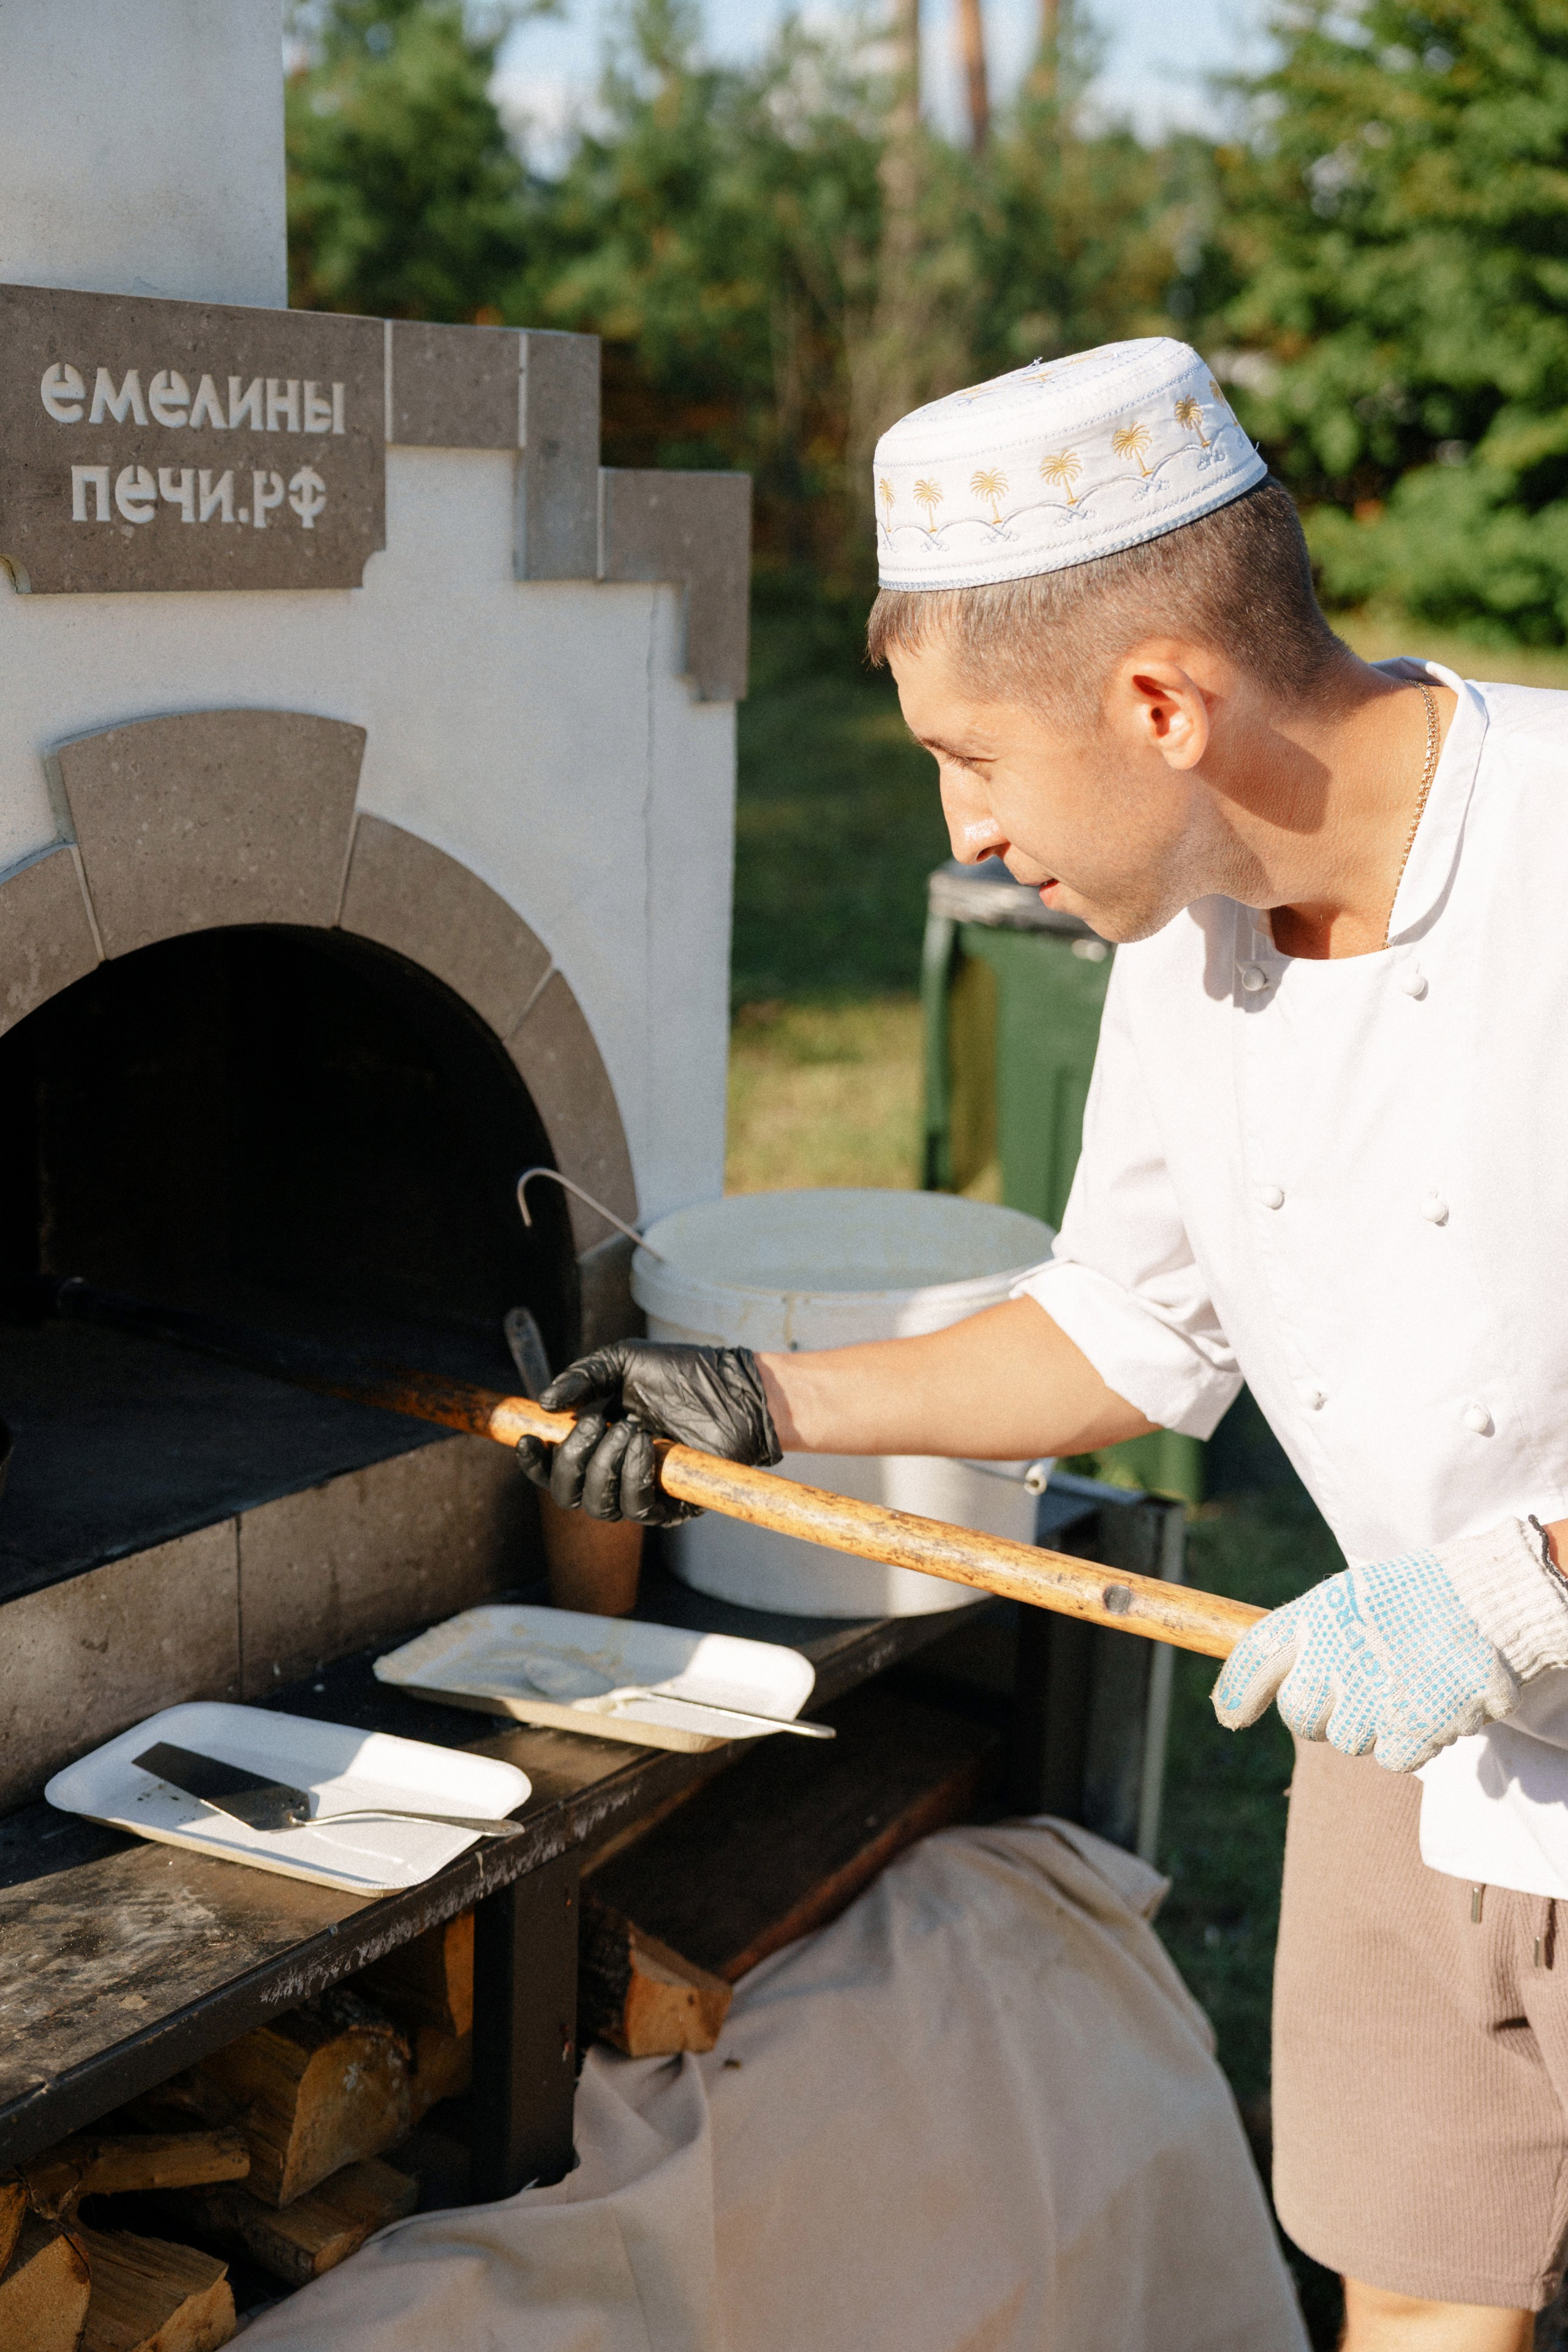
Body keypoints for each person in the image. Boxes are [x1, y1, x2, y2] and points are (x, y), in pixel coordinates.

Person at [518, 337, 1568, 2352]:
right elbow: (1130, 1326)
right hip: (1406, 1743)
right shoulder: (1188, 941)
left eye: (971, 758)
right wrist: (764, 1405)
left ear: (1161, 700)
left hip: (1471, 1653)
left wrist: (1524, 1596)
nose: (968, 826)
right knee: (1425, 2297)